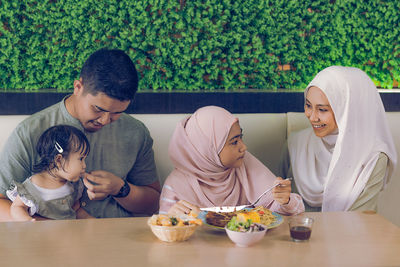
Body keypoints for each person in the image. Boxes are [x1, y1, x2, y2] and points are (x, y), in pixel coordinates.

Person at [0, 49, 160, 221]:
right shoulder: (30, 131)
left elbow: (154, 203)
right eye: (98, 109)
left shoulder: (135, 132)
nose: (105, 120)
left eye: (117, 113)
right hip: (48, 242)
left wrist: (121, 189)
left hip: (115, 237)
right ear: (78, 87)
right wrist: (49, 229)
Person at [280, 66, 397, 212]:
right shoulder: (295, 144)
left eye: (322, 109)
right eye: (308, 105)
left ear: (347, 110)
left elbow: (361, 219)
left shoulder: (373, 157)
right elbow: (278, 207)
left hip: (351, 233)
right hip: (296, 233)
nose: (312, 116)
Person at [159, 105, 304, 215]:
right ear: (208, 150)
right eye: (234, 142)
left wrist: (284, 200)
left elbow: (278, 212)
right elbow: (165, 230)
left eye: (241, 137)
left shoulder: (245, 165)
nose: (244, 147)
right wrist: (171, 219)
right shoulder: (176, 186)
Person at [6, 125, 93, 221]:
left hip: (70, 233)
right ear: (58, 160)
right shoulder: (33, 186)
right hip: (42, 234)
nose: (84, 165)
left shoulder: (73, 185)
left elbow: (76, 210)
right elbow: (17, 207)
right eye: (81, 159)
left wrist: (92, 221)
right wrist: (28, 221)